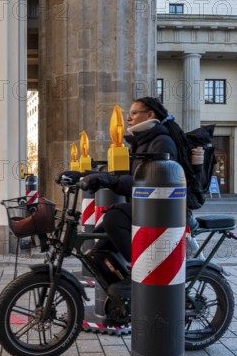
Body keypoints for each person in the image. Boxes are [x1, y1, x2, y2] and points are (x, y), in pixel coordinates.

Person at [80, 96, 197, 264]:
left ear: (150, 115)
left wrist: (112, 182)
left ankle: (142, 272)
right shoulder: (143, 142)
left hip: (163, 209)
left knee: (114, 218)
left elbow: (151, 182)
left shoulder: (161, 142)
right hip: (148, 206)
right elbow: (125, 174)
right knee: (98, 250)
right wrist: (84, 175)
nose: (128, 118)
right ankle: (115, 277)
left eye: (134, 113)